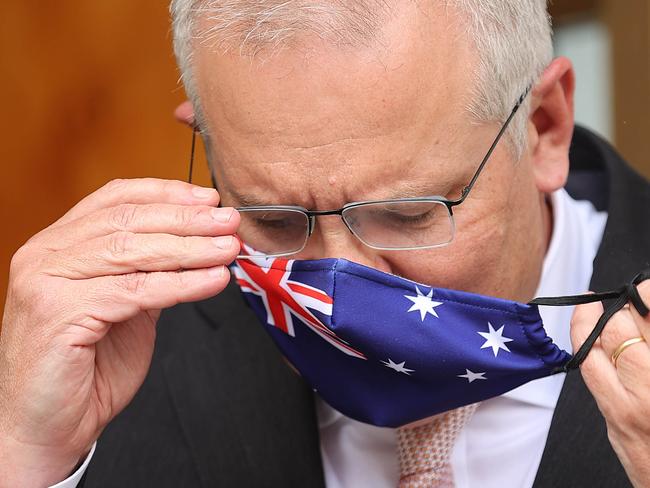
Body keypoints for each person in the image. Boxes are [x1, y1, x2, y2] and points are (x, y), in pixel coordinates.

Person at [1, 1, 649, 487]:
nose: (341, 284)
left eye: (408, 213)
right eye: (276, 219)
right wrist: (25, 455)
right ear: (211, 146)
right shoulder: (117, 367)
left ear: (544, 128)